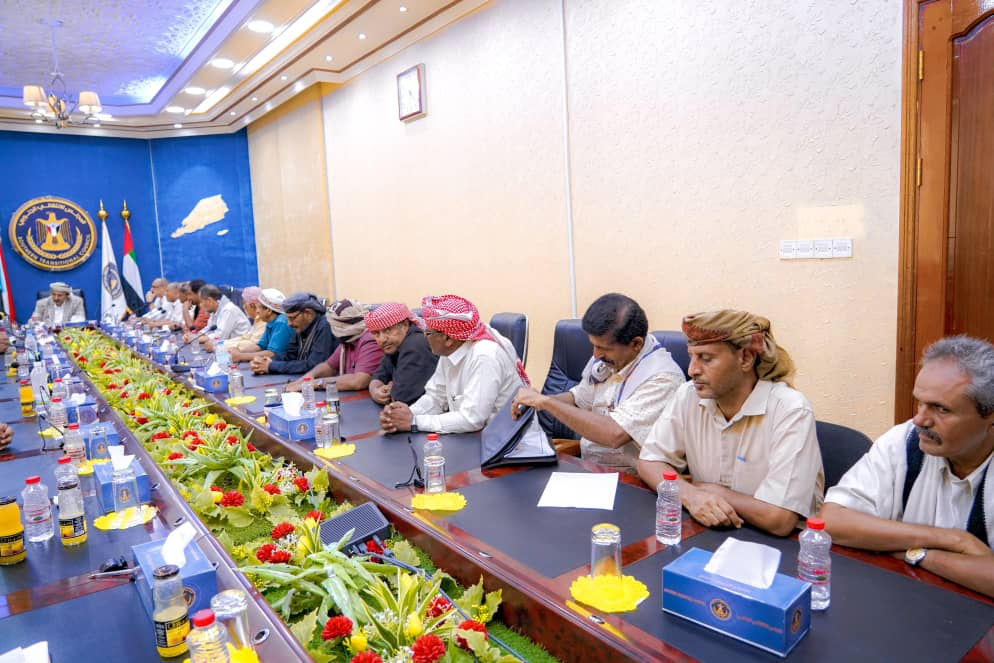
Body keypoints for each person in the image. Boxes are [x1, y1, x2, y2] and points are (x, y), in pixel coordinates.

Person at [820, 336, 994, 598]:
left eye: (941, 409)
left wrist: (915, 553)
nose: (920, 419)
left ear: (990, 417)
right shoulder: (906, 440)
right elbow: (832, 520)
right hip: (907, 600)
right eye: (920, 403)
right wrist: (954, 540)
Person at [638, 310, 824, 536]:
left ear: (745, 358)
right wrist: (691, 495)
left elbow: (779, 519)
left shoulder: (791, 410)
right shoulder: (688, 395)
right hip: (710, 531)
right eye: (691, 357)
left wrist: (714, 491)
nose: (692, 370)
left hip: (780, 545)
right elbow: (650, 461)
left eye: (706, 358)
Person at [511, 293, 685, 474]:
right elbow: (578, 398)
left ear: (636, 344)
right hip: (591, 468)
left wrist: (546, 403)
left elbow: (614, 434)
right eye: (593, 345)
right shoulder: (610, 359)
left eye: (603, 348)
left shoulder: (663, 378)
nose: (596, 355)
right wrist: (536, 400)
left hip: (633, 478)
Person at [380, 294, 526, 434]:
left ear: (448, 339)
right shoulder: (450, 351)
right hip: (476, 437)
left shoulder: (484, 356)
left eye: (428, 333)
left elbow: (472, 419)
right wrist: (403, 415)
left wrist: (414, 422)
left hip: (509, 443)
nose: (424, 337)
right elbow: (436, 398)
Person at [287, 299, 383, 392]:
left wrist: (316, 383)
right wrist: (308, 377)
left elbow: (358, 381)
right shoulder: (348, 340)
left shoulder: (370, 339)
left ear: (342, 327)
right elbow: (330, 366)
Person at [365, 303, 438, 405]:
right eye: (376, 333)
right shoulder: (395, 345)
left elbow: (401, 398)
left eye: (388, 330)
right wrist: (376, 391)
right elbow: (379, 375)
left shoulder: (415, 345)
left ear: (405, 325)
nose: (382, 339)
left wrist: (391, 388)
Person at [250, 292, 334, 375]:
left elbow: (314, 365)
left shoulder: (325, 327)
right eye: (288, 318)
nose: (289, 323)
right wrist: (265, 361)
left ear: (308, 313)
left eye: (292, 318)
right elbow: (290, 354)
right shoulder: (302, 326)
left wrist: (271, 366)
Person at [229, 289, 293, 362]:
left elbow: (272, 354)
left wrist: (241, 356)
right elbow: (260, 346)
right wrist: (239, 353)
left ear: (268, 311)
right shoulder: (270, 321)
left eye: (259, 307)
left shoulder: (281, 323)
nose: (257, 311)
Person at [203, 286, 265, 353]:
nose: (243, 307)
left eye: (244, 303)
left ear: (252, 305)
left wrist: (218, 346)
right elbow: (244, 338)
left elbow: (251, 344)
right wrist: (218, 344)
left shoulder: (264, 322)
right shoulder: (257, 320)